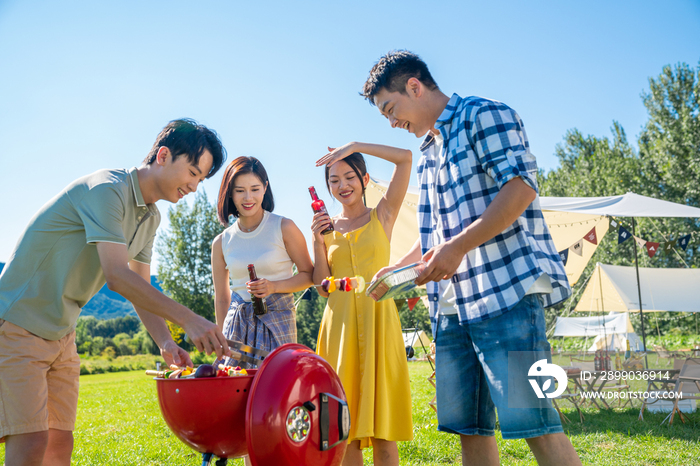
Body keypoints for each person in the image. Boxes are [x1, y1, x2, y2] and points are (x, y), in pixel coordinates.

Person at [361, 51, 582, 466]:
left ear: (414, 86)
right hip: (451, 307)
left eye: (391, 109)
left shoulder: (483, 115)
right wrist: (400, 267)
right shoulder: (428, 149)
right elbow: (436, 238)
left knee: (536, 423)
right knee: (469, 429)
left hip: (506, 295)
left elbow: (519, 187)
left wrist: (458, 247)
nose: (392, 122)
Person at [0, 118, 232, 466]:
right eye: (194, 173)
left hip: (62, 335)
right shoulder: (107, 189)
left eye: (201, 179)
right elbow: (117, 277)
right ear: (164, 155)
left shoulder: (150, 218)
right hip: (18, 324)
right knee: (31, 441)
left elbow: (139, 286)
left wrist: (166, 342)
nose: (194, 187)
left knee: (59, 443)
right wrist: (190, 319)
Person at [311, 143, 413, 466]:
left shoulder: (382, 214)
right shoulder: (326, 230)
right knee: (344, 429)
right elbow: (322, 288)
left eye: (349, 177)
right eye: (334, 180)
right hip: (338, 331)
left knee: (384, 430)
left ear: (365, 179)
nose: (342, 186)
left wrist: (354, 145)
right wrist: (317, 240)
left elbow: (405, 158)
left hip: (378, 324)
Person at [211, 156, 313, 367]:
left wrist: (274, 286)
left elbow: (309, 275)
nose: (248, 197)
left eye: (255, 189)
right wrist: (222, 342)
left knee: (275, 388)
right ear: (230, 192)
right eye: (240, 190)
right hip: (236, 326)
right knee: (234, 387)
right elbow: (222, 298)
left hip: (278, 322)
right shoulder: (221, 241)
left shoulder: (284, 227)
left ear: (265, 188)